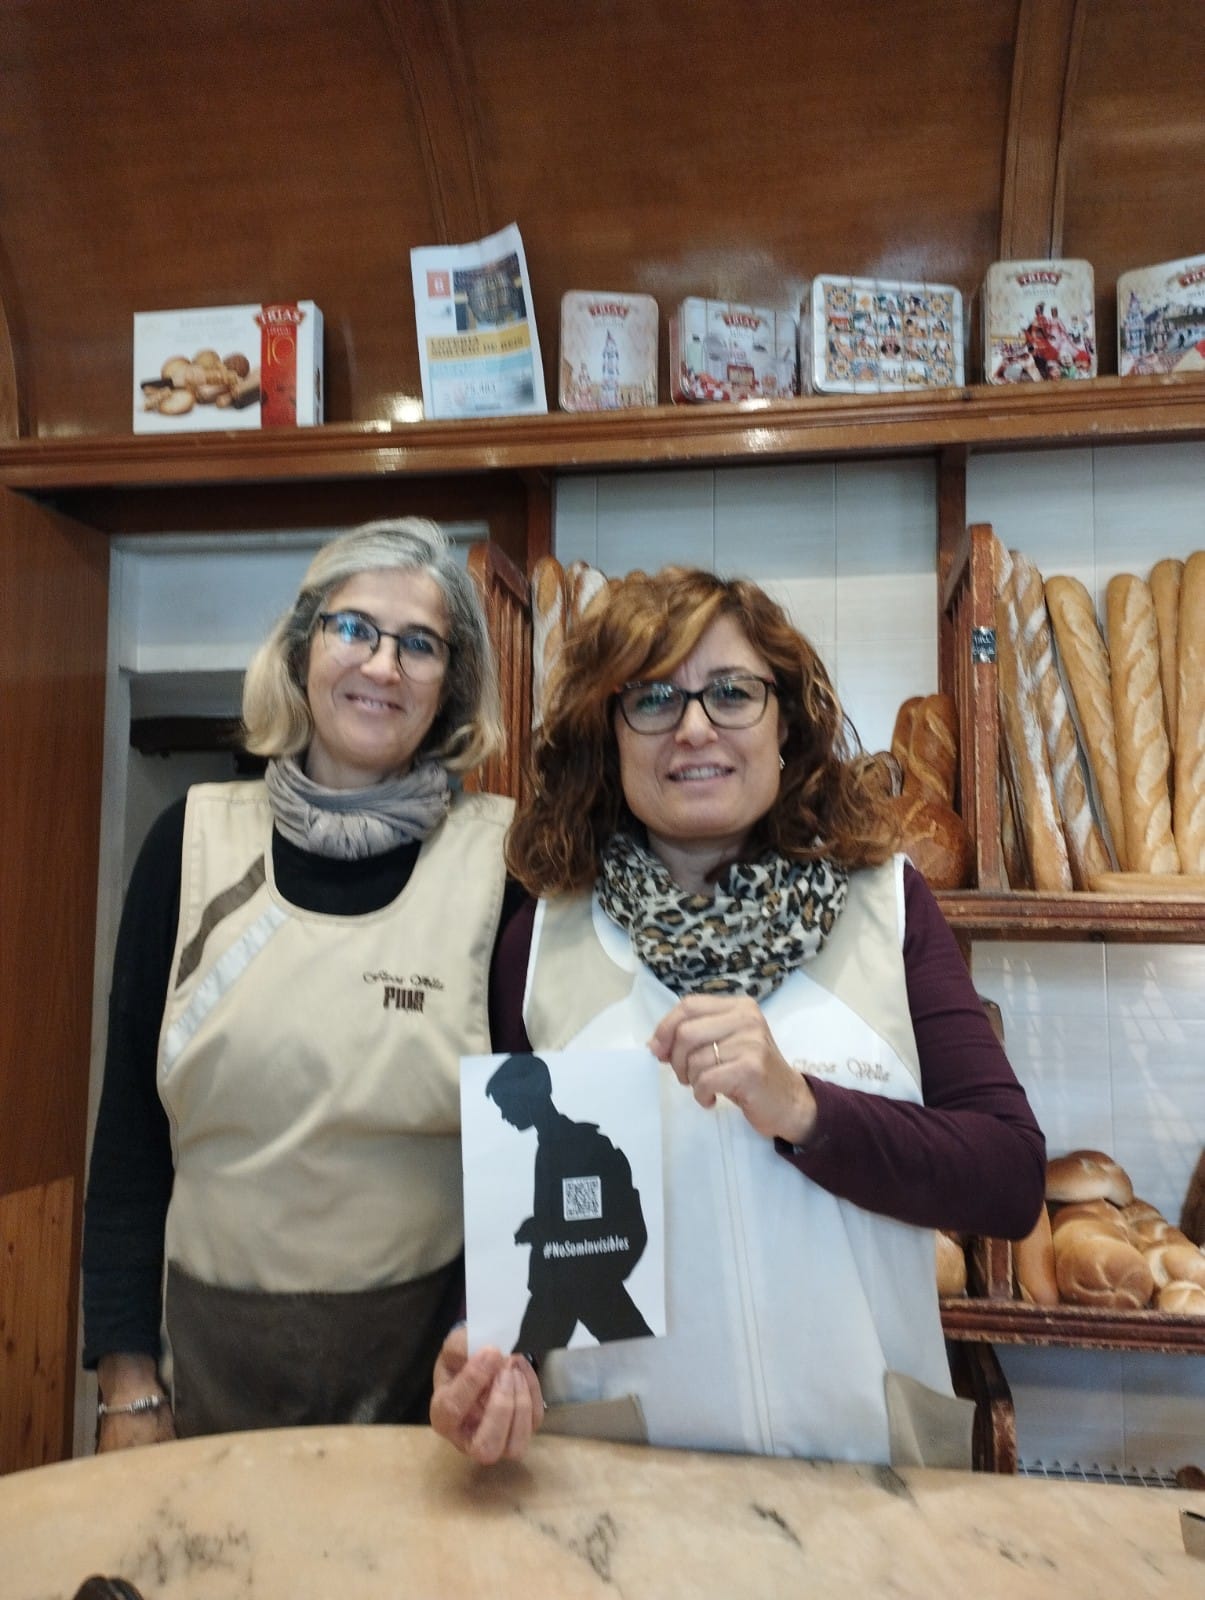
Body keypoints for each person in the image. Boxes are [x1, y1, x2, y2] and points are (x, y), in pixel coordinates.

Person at [431, 565, 1045, 1468]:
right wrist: (482, 1351)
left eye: (730, 693)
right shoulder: (541, 936)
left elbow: (1007, 1177)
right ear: (609, 735)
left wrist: (806, 1110)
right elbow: (515, 1227)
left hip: (864, 1481)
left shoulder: (888, 906)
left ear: (784, 723)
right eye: (652, 698)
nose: (693, 728)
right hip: (620, 1488)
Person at [84, 517, 519, 1449]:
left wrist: (490, 1353)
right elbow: (128, 1145)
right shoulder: (189, 844)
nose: (383, 666)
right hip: (205, 1380)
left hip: (426, 1401)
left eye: (420, 644)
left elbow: (525, 1166)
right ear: (300, 649)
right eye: (353, 628)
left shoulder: (500, 865)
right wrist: (126, 1387)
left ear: (451, 686)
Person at [486, 1052, 651, 1354]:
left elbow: (581, 1227)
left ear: (527, 1098)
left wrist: (540, 1229)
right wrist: (539, 1226)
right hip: (572, 1280)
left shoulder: (574, 1146)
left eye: (505, 1104)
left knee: (522, 1363)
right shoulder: (555, 1145)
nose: (504, 1115)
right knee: (638, 1348)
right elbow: (573, 1215)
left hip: (578, 1282)